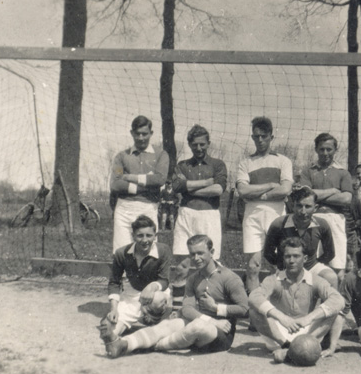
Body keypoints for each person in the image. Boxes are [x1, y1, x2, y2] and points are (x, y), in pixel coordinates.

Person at [102, 234, 249, 358]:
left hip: (221, 334)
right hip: (205, 323)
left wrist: (217, 309)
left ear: (212, 252)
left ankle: (155, 345)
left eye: (200, 253)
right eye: (192, 254)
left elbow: (244, 309)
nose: (196, 258)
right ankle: (123, 344)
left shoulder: (230, 278)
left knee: (197, 326)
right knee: (168, 325)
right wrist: (212, 320)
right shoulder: (193, 278)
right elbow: (187, 309)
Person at [248, 237, 345, 364]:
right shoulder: (273, 279)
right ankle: (288, 348)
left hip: (307, 333)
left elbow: (338, 300)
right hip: (279, 334)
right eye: (288, 256)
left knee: (336, 313)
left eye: (296, 256)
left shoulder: (315, 280)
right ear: (283, 258)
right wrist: (282, 318)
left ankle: (299, 349)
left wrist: (309, 318)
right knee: (254, 311)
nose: (291, 261)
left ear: (304, 259)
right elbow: (253, 297)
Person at [236, 116, 293, 292]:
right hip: (252, 216)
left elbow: (285, 190)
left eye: (264, 136)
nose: (260, 140)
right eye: (256, 136)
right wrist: (269, 185)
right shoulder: (245, 163)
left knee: (277, 265)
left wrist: (257, 194)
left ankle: (280, 305)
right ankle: (255, 309)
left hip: (277, 216)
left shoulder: (283, 161)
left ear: (271, 137)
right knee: (253, 266)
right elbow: (243, 191)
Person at [99, 215, 173, 351]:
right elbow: (114, 282)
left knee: (157, 300)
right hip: (132, 293)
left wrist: (151, 287)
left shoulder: (163, 250)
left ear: (155, 235)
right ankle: (114, 341)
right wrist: (114, 309)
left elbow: (164, 280)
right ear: (133, 236)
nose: (145, 240)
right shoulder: (122, 253)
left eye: (149, 235)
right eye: (140, 236)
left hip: (157, 292)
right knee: (110, 326)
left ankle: (153, 322)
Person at [109, 115, 170, 252]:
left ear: (151, 133)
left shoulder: (161, 154)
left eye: (145, 134)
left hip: (148, 207)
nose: (141, 138)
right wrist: (147, 184)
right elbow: (115, 184)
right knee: (122, 253)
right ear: (132, 133)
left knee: (148, 254)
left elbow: (160, 179)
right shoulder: (121, 156)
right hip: (124, 208)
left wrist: (130, 177)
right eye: (137, 134)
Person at [261, 186, 339, 289]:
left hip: (311, 267)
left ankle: (327, 305)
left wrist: (312, 264)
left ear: (315, 208)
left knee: (331, 278)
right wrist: (282, 266)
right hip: (287, 268)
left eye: (308, 206)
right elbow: (268, 252)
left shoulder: (322, 225)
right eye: (299, 206)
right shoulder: (279, 224)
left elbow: (330, 253)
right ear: (293, 206)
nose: (303, 211)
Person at [299, 133, 353, 277]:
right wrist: (333, 191)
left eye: (329, 149)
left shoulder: (343, 173)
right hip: (313, 218)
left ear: (335, 150)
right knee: (311, 264)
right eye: (321, 149)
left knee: (337, 266)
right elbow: (305, 196)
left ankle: (335, 298)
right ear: (316, 149)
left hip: (335, 218)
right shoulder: (308, 171)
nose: (325, 153)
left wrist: (317, 196)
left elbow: (347, 198)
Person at [172, 125, 228, 260]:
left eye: (202, 144)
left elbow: (218, 189)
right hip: (186, 214)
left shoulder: (218, 164)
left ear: (208, 143)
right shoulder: (182, 165)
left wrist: (188, 189)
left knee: (210, 262)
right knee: (182, 262)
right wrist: (206, 182)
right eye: (195, 144)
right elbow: (176, 186)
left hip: (209, 215)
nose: (198, 148)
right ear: (189, 145)